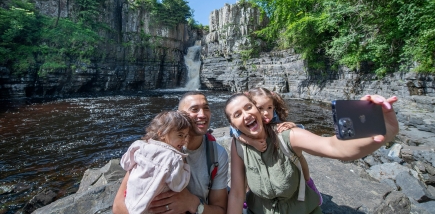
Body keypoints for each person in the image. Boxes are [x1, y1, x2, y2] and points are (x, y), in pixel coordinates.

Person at [225, 93, 399, 214]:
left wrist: (380, 130)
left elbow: (334, 147)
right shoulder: (238, 146)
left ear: (258, 109)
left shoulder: (288, 135)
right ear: (233, 124)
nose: (246, 115)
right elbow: (237, 193)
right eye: (237, 114)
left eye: (249, 107)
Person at [113, 92, 229, 214]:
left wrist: (192, 203)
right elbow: (118, 205)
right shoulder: (154, 149)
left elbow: (220, 210)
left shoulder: (217, 154)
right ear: (179, 115)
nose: (202, 114)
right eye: (194, 109)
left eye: (206, 108)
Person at [119, 111, 192, 214]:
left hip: (129, 203)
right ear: (161, 133)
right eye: (180, 135)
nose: (184, 140)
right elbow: (177, 185)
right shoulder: (174, 158)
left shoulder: (140, 146)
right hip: (149, 208)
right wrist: (185, 168)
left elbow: (125, 163)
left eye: (186, 136)